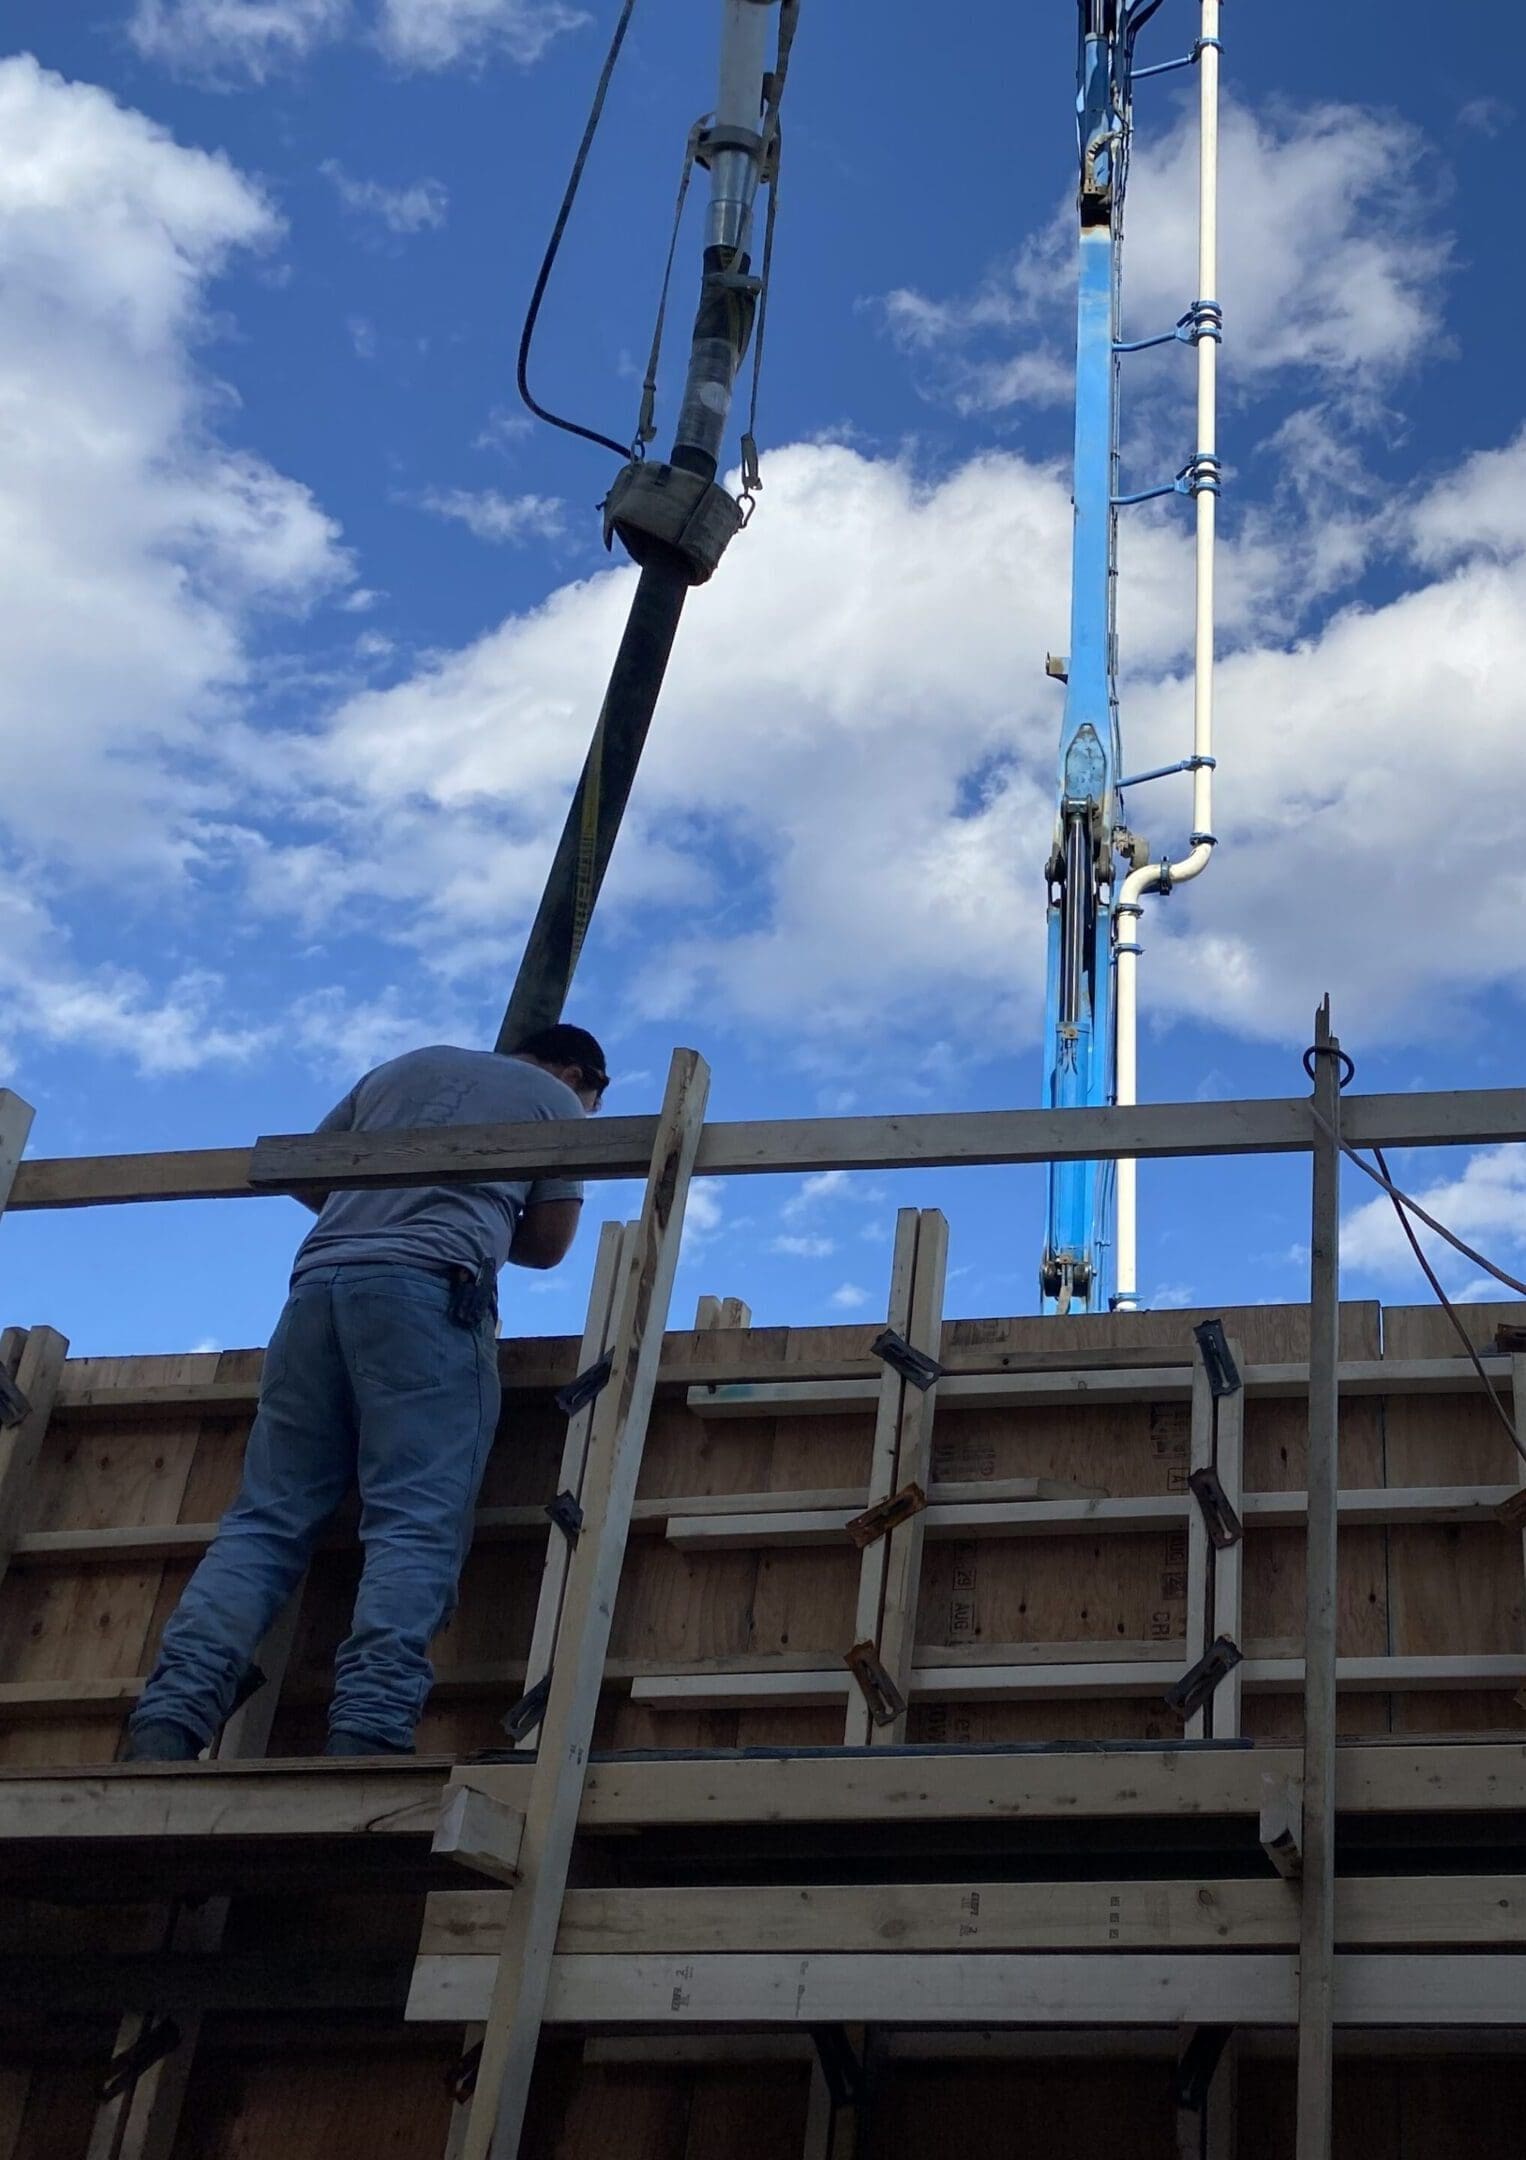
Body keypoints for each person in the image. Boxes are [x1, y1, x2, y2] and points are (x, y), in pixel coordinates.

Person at [125, 1023, 608, 1761]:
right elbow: (548, 1245)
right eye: (593, 1101)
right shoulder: (556, 1099)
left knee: (265, 1520)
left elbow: (310, 1172)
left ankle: (168, 1721)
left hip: (317, 1291)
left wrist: (387, 1204)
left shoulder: (403, 1068)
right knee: (416, 1520)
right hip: (431, 1295)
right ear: (577, 1071)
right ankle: (369, 1732)